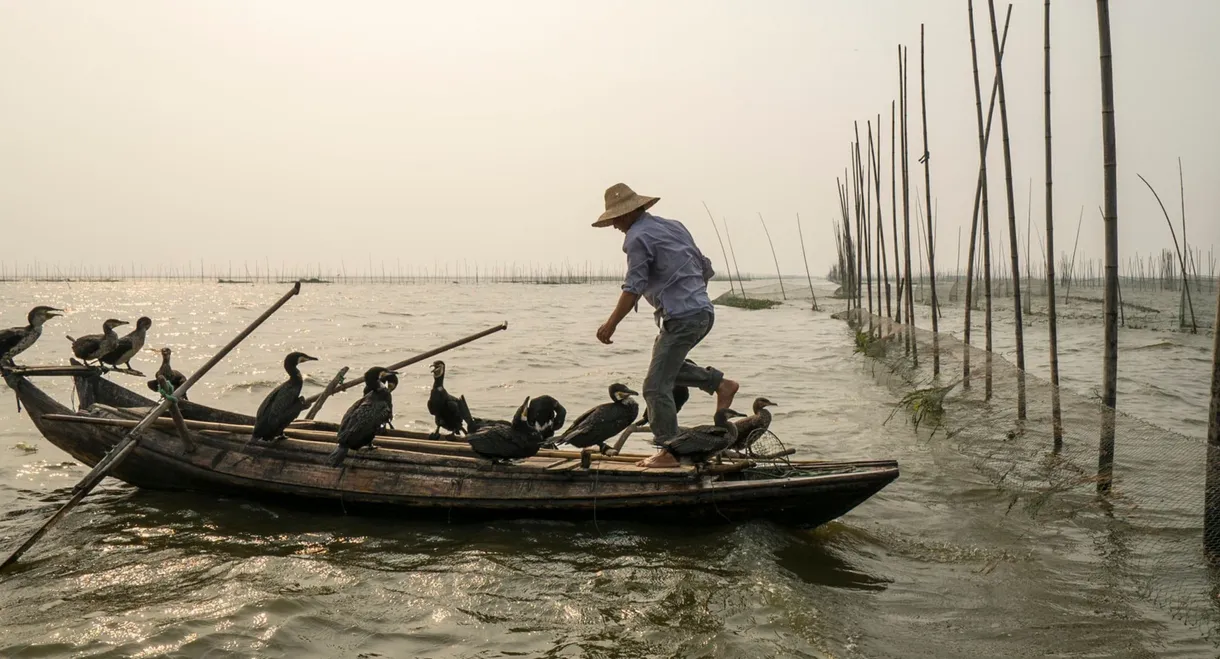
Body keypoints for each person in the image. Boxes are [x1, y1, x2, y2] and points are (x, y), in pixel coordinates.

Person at [593, 183, 739, 468]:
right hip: (702, 312)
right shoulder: (674, 226)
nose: (615, 227)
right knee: (665, 368)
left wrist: (610, 324)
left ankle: (670, 452)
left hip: (683, 317)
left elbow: (633, 286)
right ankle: (720, 384)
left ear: (630, 213)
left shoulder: (637, 237)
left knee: (654, 387)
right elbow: (704, 266)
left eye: (616, 219)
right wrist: (690, 295)